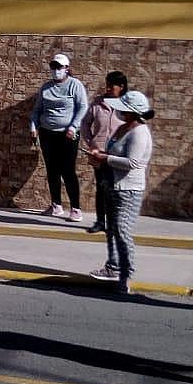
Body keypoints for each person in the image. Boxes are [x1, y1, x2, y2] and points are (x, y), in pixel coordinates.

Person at [87, 91, 155, 294]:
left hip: (128, 189)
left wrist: (105, 158)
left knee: (122, 232)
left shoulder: (139, 132)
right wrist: (100, 158)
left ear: (132, 112)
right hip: (113, 185)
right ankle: (114, 267)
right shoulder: (123, 129)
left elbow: (133, 163)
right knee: (113, 230)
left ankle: (125, 275)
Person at [30, 53, 89, 221]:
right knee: (52, 170)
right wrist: (33, 127)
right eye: (53, 67)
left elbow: (82, 107)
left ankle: (76, 208)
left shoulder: (75, 85)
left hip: (67, 135)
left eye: (59, 67)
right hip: (47, 134)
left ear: (67, 69)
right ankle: (56, 205)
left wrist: (73, 127)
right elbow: (37, 110)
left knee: (68, 170)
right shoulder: (46, 87)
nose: (56, 70)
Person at [82, 71, 129, 234]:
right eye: (107, 84)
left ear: (121, 87)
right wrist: (91, 143)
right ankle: (100, 221)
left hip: (118, 155)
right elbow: (85, 124)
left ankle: (115, 223)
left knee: (116, 189)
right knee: (102, 188)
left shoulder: (127, 105)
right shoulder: (98, 103)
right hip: (98, 153)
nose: (108, 88)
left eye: (112, 85)